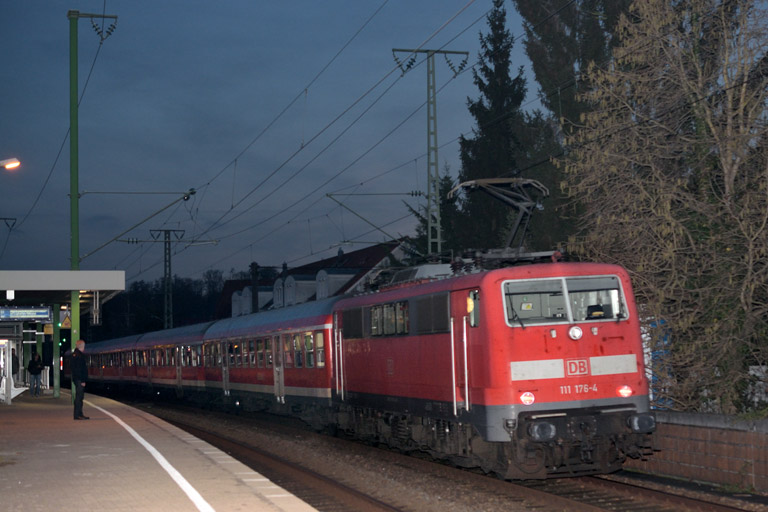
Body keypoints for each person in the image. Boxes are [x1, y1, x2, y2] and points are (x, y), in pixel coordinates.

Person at [71, 340, 89, 420]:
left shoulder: (74, 355)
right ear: (82, 346)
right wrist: (82, 380)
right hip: (79, 379)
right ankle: (78, 415)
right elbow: (80, 369)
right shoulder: (79, 356)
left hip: (76, 379)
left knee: (79, 397)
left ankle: (79, 414)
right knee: (79, 397)